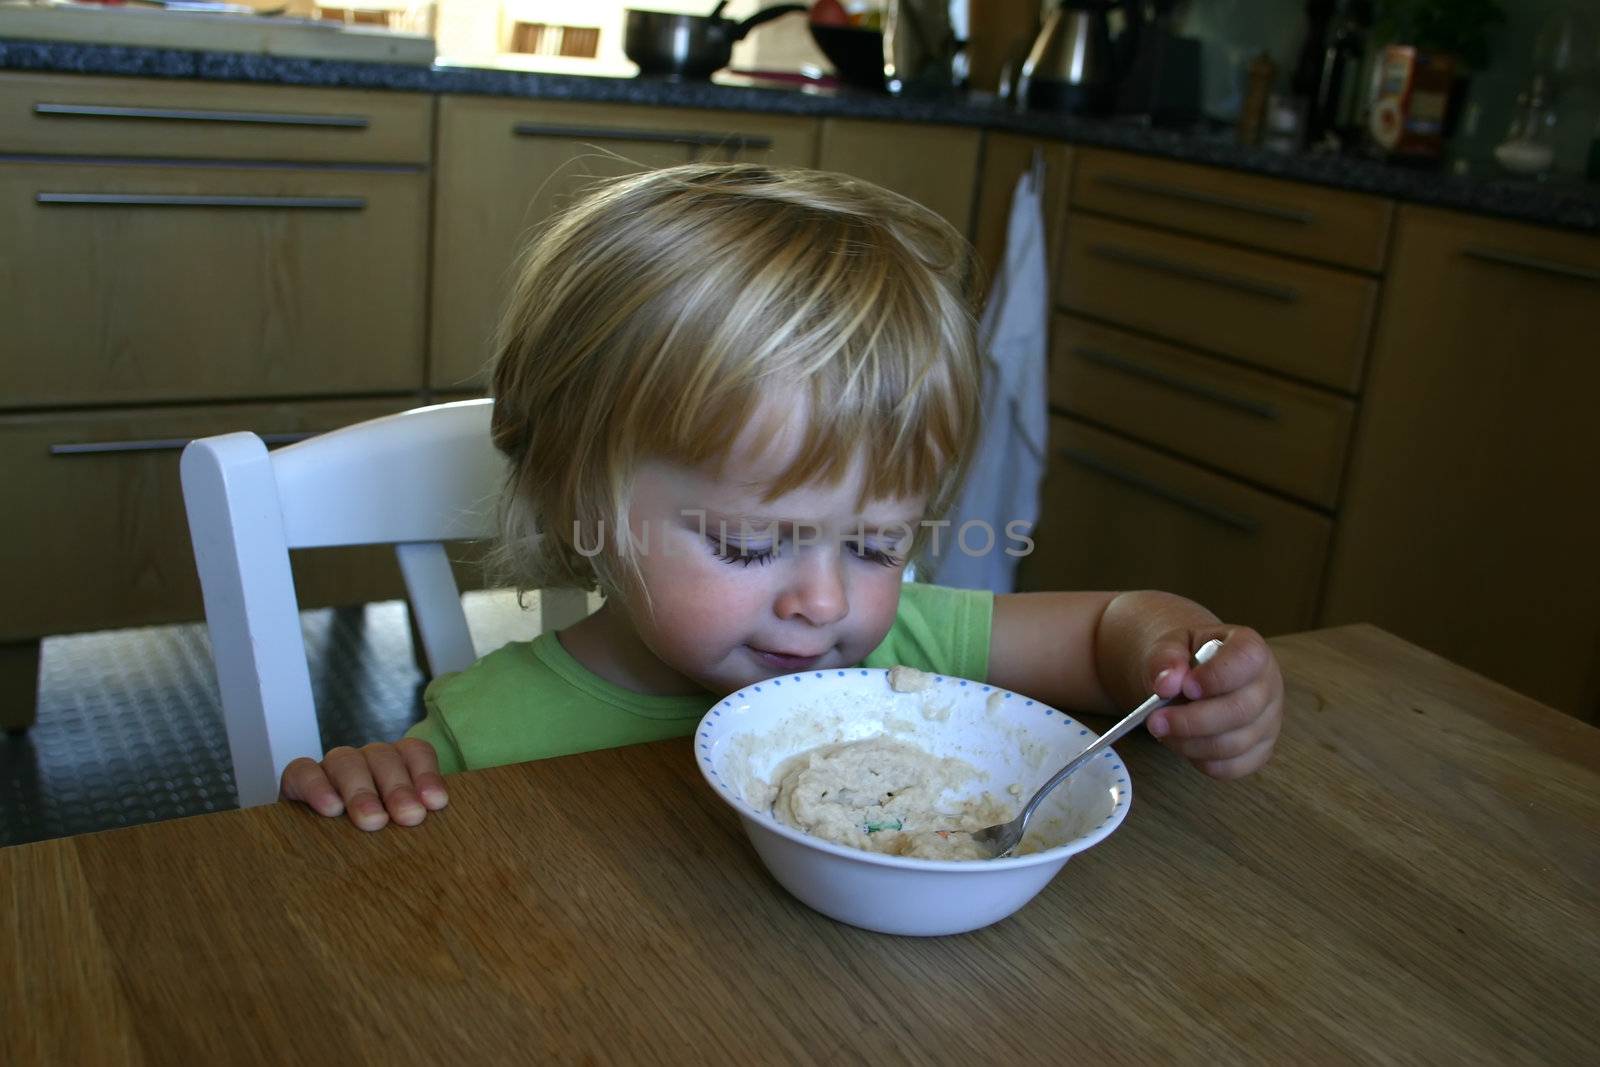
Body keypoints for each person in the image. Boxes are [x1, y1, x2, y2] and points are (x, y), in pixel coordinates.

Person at [281, 163, 1284, 831]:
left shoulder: (902, 658)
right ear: (572, 495)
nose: (825, 600)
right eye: (749, 542)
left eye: (879, 543)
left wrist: (1180, 657)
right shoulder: (484, 730)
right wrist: (361, 788)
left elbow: (1110, 630)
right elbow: (384, 870)